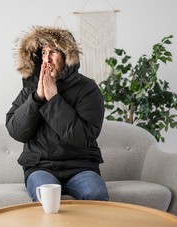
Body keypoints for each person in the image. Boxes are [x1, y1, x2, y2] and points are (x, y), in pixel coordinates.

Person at [6, 26, 109, 202]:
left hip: (81, 167)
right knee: (46, 198)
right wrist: (37, 98)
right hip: (40, 167)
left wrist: (54, 99)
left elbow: (83, 137)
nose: (47, 59)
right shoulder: (30, 89)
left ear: (67, 57)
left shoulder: (87, 89)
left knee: (96, 194)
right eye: (44, 52)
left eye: (53, 52)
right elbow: (16, 131)